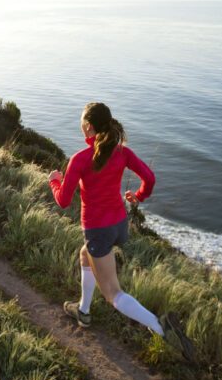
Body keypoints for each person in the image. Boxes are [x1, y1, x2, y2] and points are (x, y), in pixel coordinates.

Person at [48, 102, 195, 361]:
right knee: (85, 256)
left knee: (112, 293)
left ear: (89, 127)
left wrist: (54, 180)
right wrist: (138, 196)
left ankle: (163, 329)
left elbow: (62, 200)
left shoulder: (80, 159)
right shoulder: (122, 152)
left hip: (99, 231)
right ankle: (82, 310)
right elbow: (149, 178)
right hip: (119, 225)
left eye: (82, 122)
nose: (81, 125)